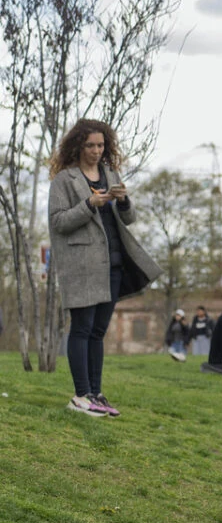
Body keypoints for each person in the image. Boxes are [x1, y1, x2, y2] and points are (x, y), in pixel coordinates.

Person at [46, 118, 163, 417]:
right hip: (81, 266)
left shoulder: (110, 174)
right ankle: (80, 396)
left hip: (113, 265)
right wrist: (89, 204)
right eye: (90, 145)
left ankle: (96, 394)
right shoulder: (64, 180)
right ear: (78, 146)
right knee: (82, 329)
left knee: (98, 332)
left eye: (100, 145)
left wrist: (123, 202)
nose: (96, 151)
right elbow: (58, 222)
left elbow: (129, 218)